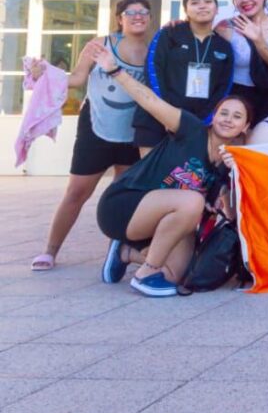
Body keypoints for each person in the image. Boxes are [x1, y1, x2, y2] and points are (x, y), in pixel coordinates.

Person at [92, 43, 249, 298]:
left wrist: (237, 173)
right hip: (124, 205)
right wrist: (115, 70)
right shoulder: (190, 129)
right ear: (213, 115)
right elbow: (150, 100)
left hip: (163, 219)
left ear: (245, 126)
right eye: (224, 113)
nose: (228, 119)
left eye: (237, 116)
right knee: (192, 200)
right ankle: (146, 272)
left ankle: (124, 252)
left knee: (177, 275)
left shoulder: (225, 163)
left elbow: (231, 215)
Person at [29, 0, 153, 272]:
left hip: (133, 132)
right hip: (96, 127)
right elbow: (76, 78)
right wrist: (45, 74)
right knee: (77, 191)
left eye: (143, 12)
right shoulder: (100, 45)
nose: (137, 16)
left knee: (121, 194)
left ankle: (115, 250)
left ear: (149, 18)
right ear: (119, 18)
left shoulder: (153, 50)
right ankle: (50, 249)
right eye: (130, 12)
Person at [133, 0, 233, 155]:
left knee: (186, 179)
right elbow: (152, 71)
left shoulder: (224, 45)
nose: (202, 5)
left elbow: (224, 87)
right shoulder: (169, 34)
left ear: (216, 9)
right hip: (156, 120)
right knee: (151, 179)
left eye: (208, 1)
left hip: (195, 125)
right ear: (186, 10)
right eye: (195, 2)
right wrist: (165, 113)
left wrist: (204, 121)